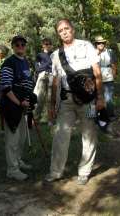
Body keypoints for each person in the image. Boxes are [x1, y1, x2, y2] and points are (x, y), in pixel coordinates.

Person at [45, 19, 104, 185]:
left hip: (89, 101)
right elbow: (55, 81)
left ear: (73, 29)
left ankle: (84, 172)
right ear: (58, 34)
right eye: (60, 30)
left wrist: (100, 97)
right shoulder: (56, 55)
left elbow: (97, 73)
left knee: (89, 134)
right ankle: (55, 172)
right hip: (67, 101)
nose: (64, 32)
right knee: (60, 136)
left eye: (66, 28)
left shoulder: (86, 46)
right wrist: (51, 105)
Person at [0, 35, 35, 181]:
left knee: (21, 137)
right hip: (11, 106)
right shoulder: (9, 63)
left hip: (22, 105)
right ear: (13, 47)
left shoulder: (25, 62)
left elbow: (27, 84)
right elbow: (6, 87)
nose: (20, 46)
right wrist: (19, 103)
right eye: (17, 45)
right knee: (12, 139)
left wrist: (27, 100)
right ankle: (12, 169)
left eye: (23, 44)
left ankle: (18, 161)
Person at [95, 35, 117, 119]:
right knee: (96, 99)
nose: (100, 44)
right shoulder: (93, 53)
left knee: (109, 99)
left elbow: (113, 65)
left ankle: (110, 115)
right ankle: (96, 117)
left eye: (102, 43)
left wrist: (114, 75)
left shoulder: (110, 52)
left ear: (105, 43)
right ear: (96, 44)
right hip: (96, 79)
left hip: (108, 78)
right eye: (98, 43)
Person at [33, 38, 53, 123]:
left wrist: (45, 65)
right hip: (42, 76)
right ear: (43, 45)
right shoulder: (39, 55)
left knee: (50, 99)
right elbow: (37, 68)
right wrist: (48, 63)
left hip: (52, 76)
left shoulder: (54, 54)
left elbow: (55, 67)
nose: (47, 45)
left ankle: (51, 120)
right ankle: (36, 119)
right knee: (39, 98)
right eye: (46, 44)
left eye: (49, 44)